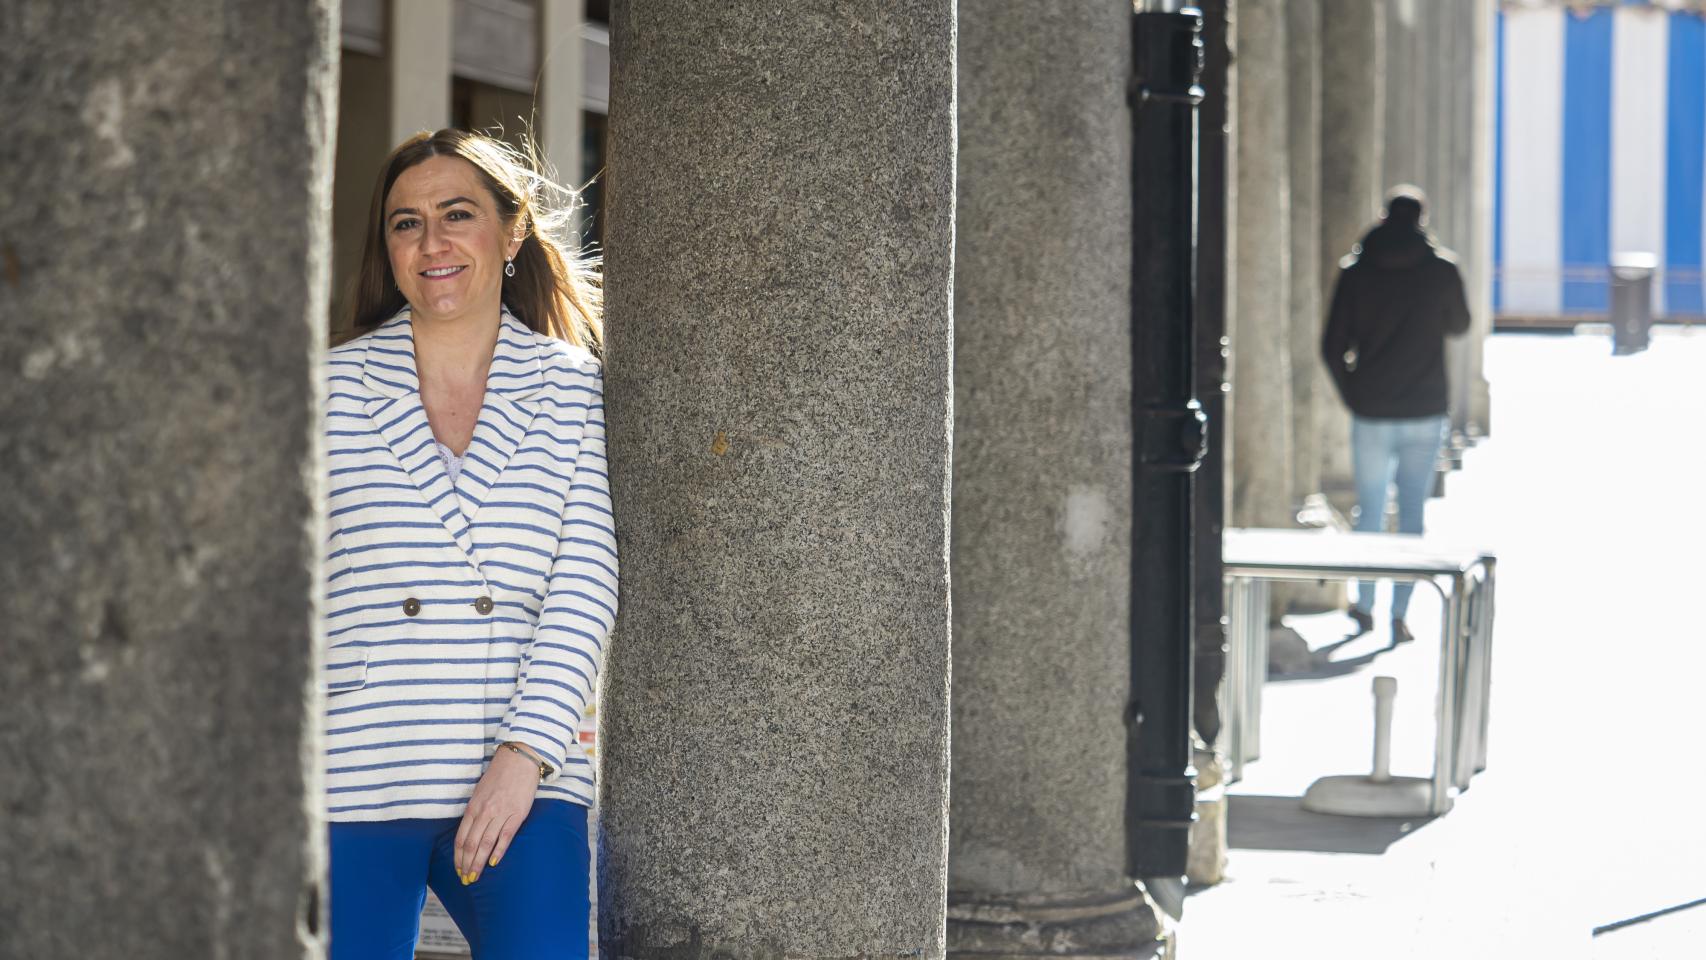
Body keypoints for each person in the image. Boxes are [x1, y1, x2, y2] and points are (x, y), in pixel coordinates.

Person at [323, 128, 612, 959]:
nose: (432, 242)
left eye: (457, 214)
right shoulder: (329, 387)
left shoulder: (574, 386)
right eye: (406, 223)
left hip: (521, 769)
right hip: (356, 766)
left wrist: (525, 756)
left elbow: (585, 582)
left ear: (512, 232)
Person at [1321, 185, 1469, 645]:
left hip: (1372, 409)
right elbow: (1460, 325)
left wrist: (1354, 394)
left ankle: (1363, 604)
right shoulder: (1442, 270)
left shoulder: (1356, 271)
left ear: (1384, 217)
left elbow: (1332, 345)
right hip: (1424, 408)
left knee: (1369, 508)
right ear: (1421, 220)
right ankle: (1399, 613)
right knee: (1410, 513)